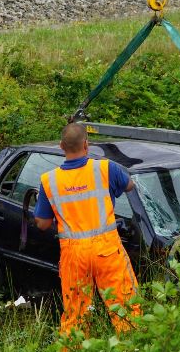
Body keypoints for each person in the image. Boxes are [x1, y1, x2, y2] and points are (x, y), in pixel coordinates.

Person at [34, 123, 141, 336]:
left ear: (61, 146)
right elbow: (129, 185)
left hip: (74, 255)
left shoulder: (49, 181)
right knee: (125, 308)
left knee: (76, 315)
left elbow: (42, 223)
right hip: (107, 250)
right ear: (86, 144)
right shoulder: (105, 168)